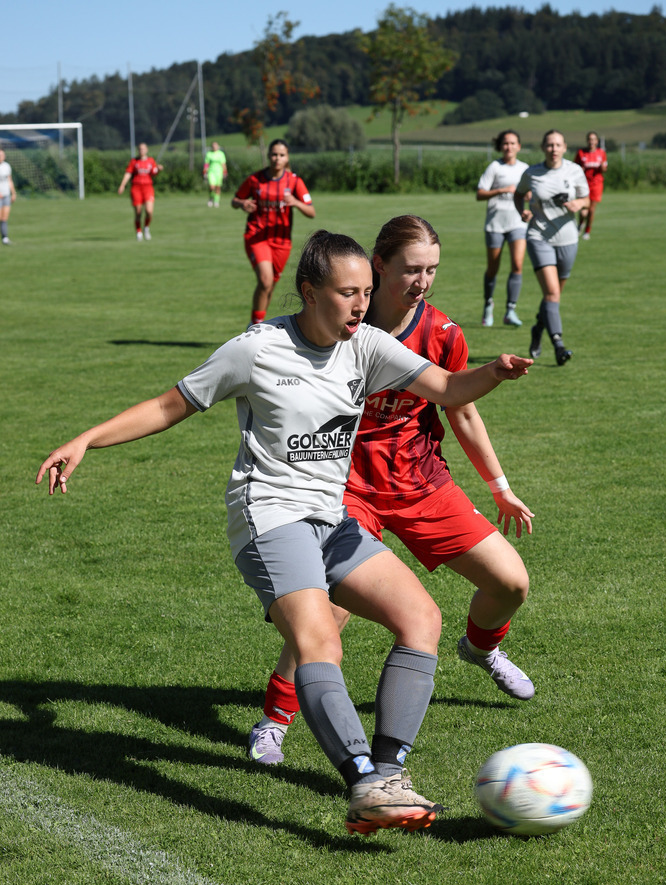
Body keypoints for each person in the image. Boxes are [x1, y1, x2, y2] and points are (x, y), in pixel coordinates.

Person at [36, 229, 531, 836]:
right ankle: (362, 783)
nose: (360, 304)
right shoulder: (257, 348)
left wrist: (496, 372)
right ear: (309, 292)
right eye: (348, 292)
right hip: (269, 517)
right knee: (322, 640)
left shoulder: (368, 345)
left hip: (331, 519)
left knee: (421, 620)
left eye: (366, 292)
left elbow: (450, 389)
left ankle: (388, 772)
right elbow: (171, 405)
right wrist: (86, 438)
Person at [249, 215, 536, 768]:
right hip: (348, 484)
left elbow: (460, 407)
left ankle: (480, 648)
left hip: (419, 480)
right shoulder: (337, 321)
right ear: (379, 266)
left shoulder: (444, 334)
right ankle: (274, 722)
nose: (422, 281)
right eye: (411, 269)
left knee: (511, 582)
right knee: (330, 613)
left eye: (431, 270)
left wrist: (500, 487)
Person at [514, 130, 589, 366]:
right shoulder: (532, 173)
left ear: (564, 147)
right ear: (543, 148)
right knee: (552, 293)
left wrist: (579, 203)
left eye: (557, 145)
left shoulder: (574, 171)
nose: (553, 149)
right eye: (549, 145)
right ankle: (558, 344)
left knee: (553, 295)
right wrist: (522, 212)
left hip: (568, 239)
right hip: (539, 237)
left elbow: (586, 199)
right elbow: (518, 195)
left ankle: (538, 328)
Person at [232, 139, 315, 326]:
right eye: (274, 154)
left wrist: (296, 202)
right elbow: (235, 199)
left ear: (287, 158)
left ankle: (258, 322)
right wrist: (242, 204)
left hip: (282, 242)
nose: (277, 158)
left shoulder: (294, 181)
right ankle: (254, 325)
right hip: (257, 236)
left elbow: (311, 212)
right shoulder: (255, 180)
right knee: (265, 279)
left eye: (282, 155)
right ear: (269, 156)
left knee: (269, 285)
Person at [476, 130, 529, 327]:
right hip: (495, 224)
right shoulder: (495, 167)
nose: (509, 146)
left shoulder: (525, 169)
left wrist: (529, 198)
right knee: (493, 268)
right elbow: (480, 193)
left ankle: (510, 310)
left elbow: (531, 192)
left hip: (517, 223)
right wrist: (502, 190)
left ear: (519, 146)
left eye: (513, 143)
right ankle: (488, 305)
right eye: (505, 143)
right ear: (501, 146)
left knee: (517, 264)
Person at [118, 143, 163, 241]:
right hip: (136, 188)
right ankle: (139, 232)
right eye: (140, 149)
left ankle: (146, 228)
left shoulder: (151, 161)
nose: (141, 151)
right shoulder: (134, 161)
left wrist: (158, 169)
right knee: (138, 212)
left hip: (148, 188)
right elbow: (128, 173)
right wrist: (122, 185)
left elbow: (154, 173)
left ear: (147, 150)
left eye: (143, 149)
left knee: (149, 211)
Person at [573, 131, 608, 240]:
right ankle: (581, 224)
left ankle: (587, 231)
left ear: (597, 141)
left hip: (596, 184)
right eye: (590, 139)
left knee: (591, 209)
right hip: (583, 184)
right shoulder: (581, 153)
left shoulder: (601, 153)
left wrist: (602, 167)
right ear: (587, 141)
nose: (591, 142)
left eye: (594, 139)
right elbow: (574, 168)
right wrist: (580, 170)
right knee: (583, 210)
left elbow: (605, 169)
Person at [204, 141, 227, 208]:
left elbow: (223, 164)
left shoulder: (221, 154)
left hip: (219, 172)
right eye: (213, 146)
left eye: (216, 146)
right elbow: (206, 164)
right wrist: (205, 172)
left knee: (218, 187)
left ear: (218, 146)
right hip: (211, 172)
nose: (215, 147)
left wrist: (225, 172)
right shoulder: (209, 154)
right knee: (212, 187)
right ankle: (211, 198)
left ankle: (216, 201)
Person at [0, 149, 16, 245]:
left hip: (6, 195)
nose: (1, 156)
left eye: (2, 154)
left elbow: (9, 180)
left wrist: (13, 193)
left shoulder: (7, 166)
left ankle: (5, 238)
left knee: (4, 217)